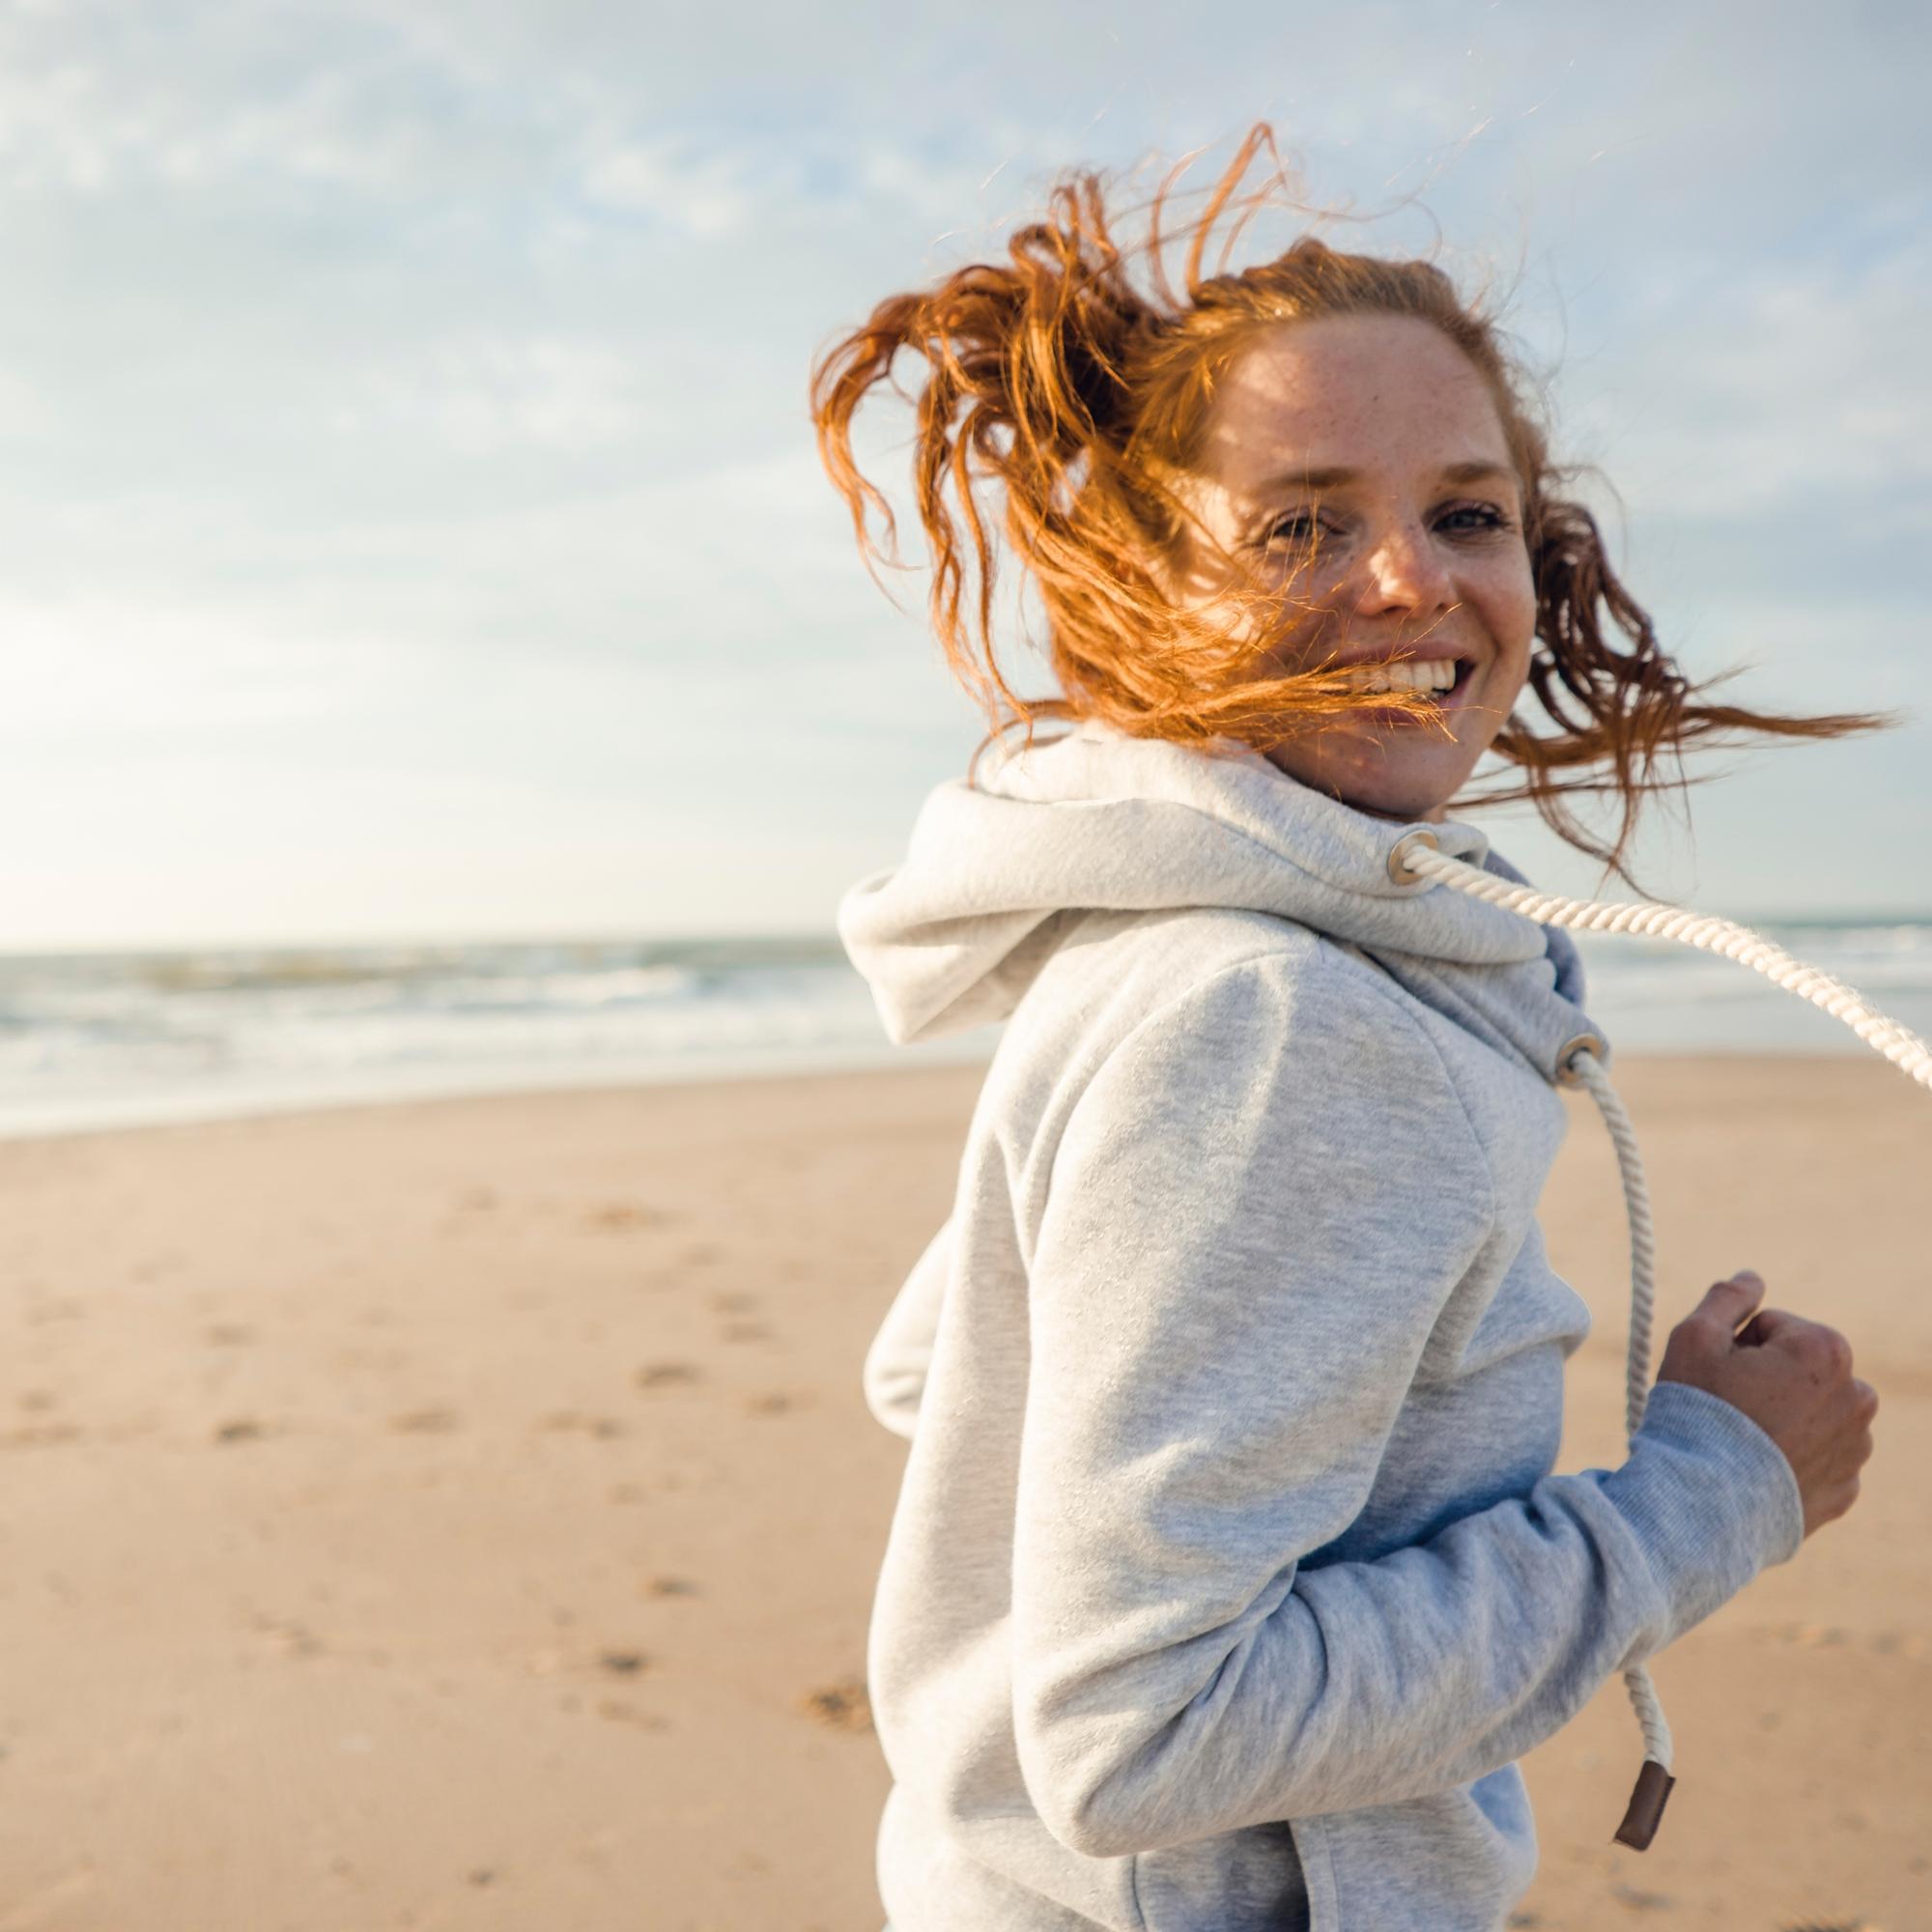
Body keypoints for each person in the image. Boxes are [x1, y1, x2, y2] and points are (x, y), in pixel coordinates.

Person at [809, 123, 1885, 1932]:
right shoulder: (1275, 1011)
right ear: (1160, 591)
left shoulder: (1185, 944)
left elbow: (944, 1373)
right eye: (1304, 521)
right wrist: (1711, 1493)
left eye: (1465, 512)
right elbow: (1140, 1738)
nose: (1409, 579)